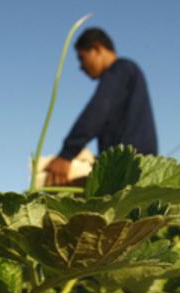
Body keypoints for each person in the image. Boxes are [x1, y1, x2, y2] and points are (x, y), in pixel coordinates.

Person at [43, 28, 158, 186]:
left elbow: (98, 110)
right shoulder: (126, 73)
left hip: (130, 166)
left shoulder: (121, 69)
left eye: (82, 58)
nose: (81, 67)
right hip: (132, 163)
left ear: (97, 49)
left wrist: (66, 154)